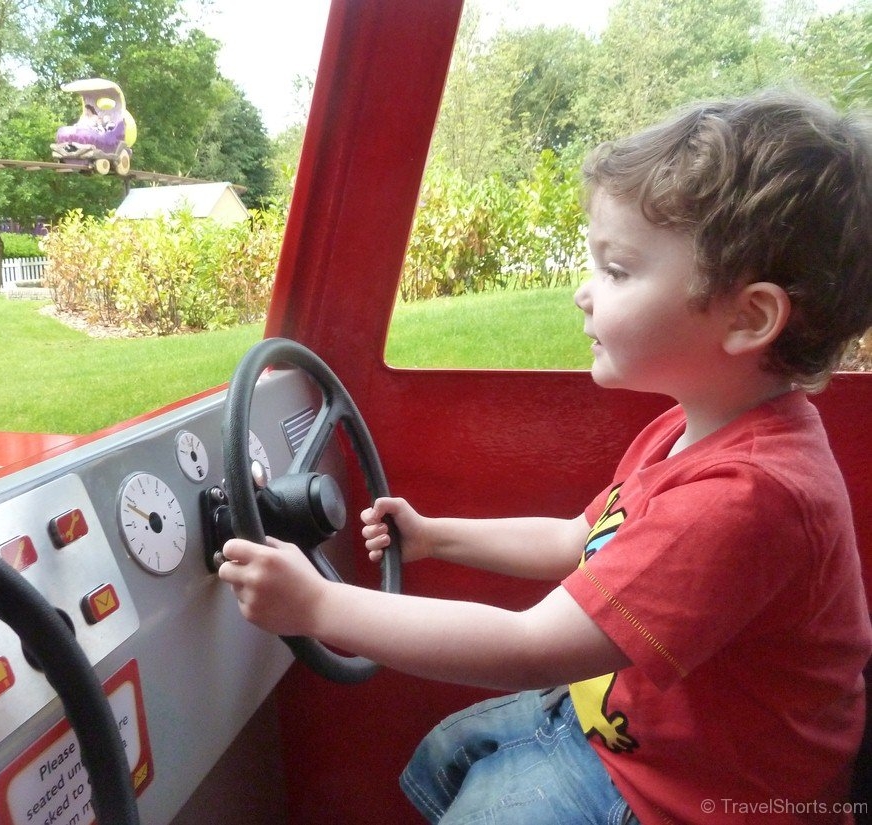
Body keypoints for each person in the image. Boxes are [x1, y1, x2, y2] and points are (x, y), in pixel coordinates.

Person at [217, 89, 872, 823]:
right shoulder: (689, 429)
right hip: (635, 732)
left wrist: (318, 603)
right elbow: (579, 539)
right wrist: (437, 534)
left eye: (618, 270)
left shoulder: (746, 498)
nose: (583, 294)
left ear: (748, 317)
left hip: (688, 798)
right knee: (447, 752)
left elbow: (532, 645)